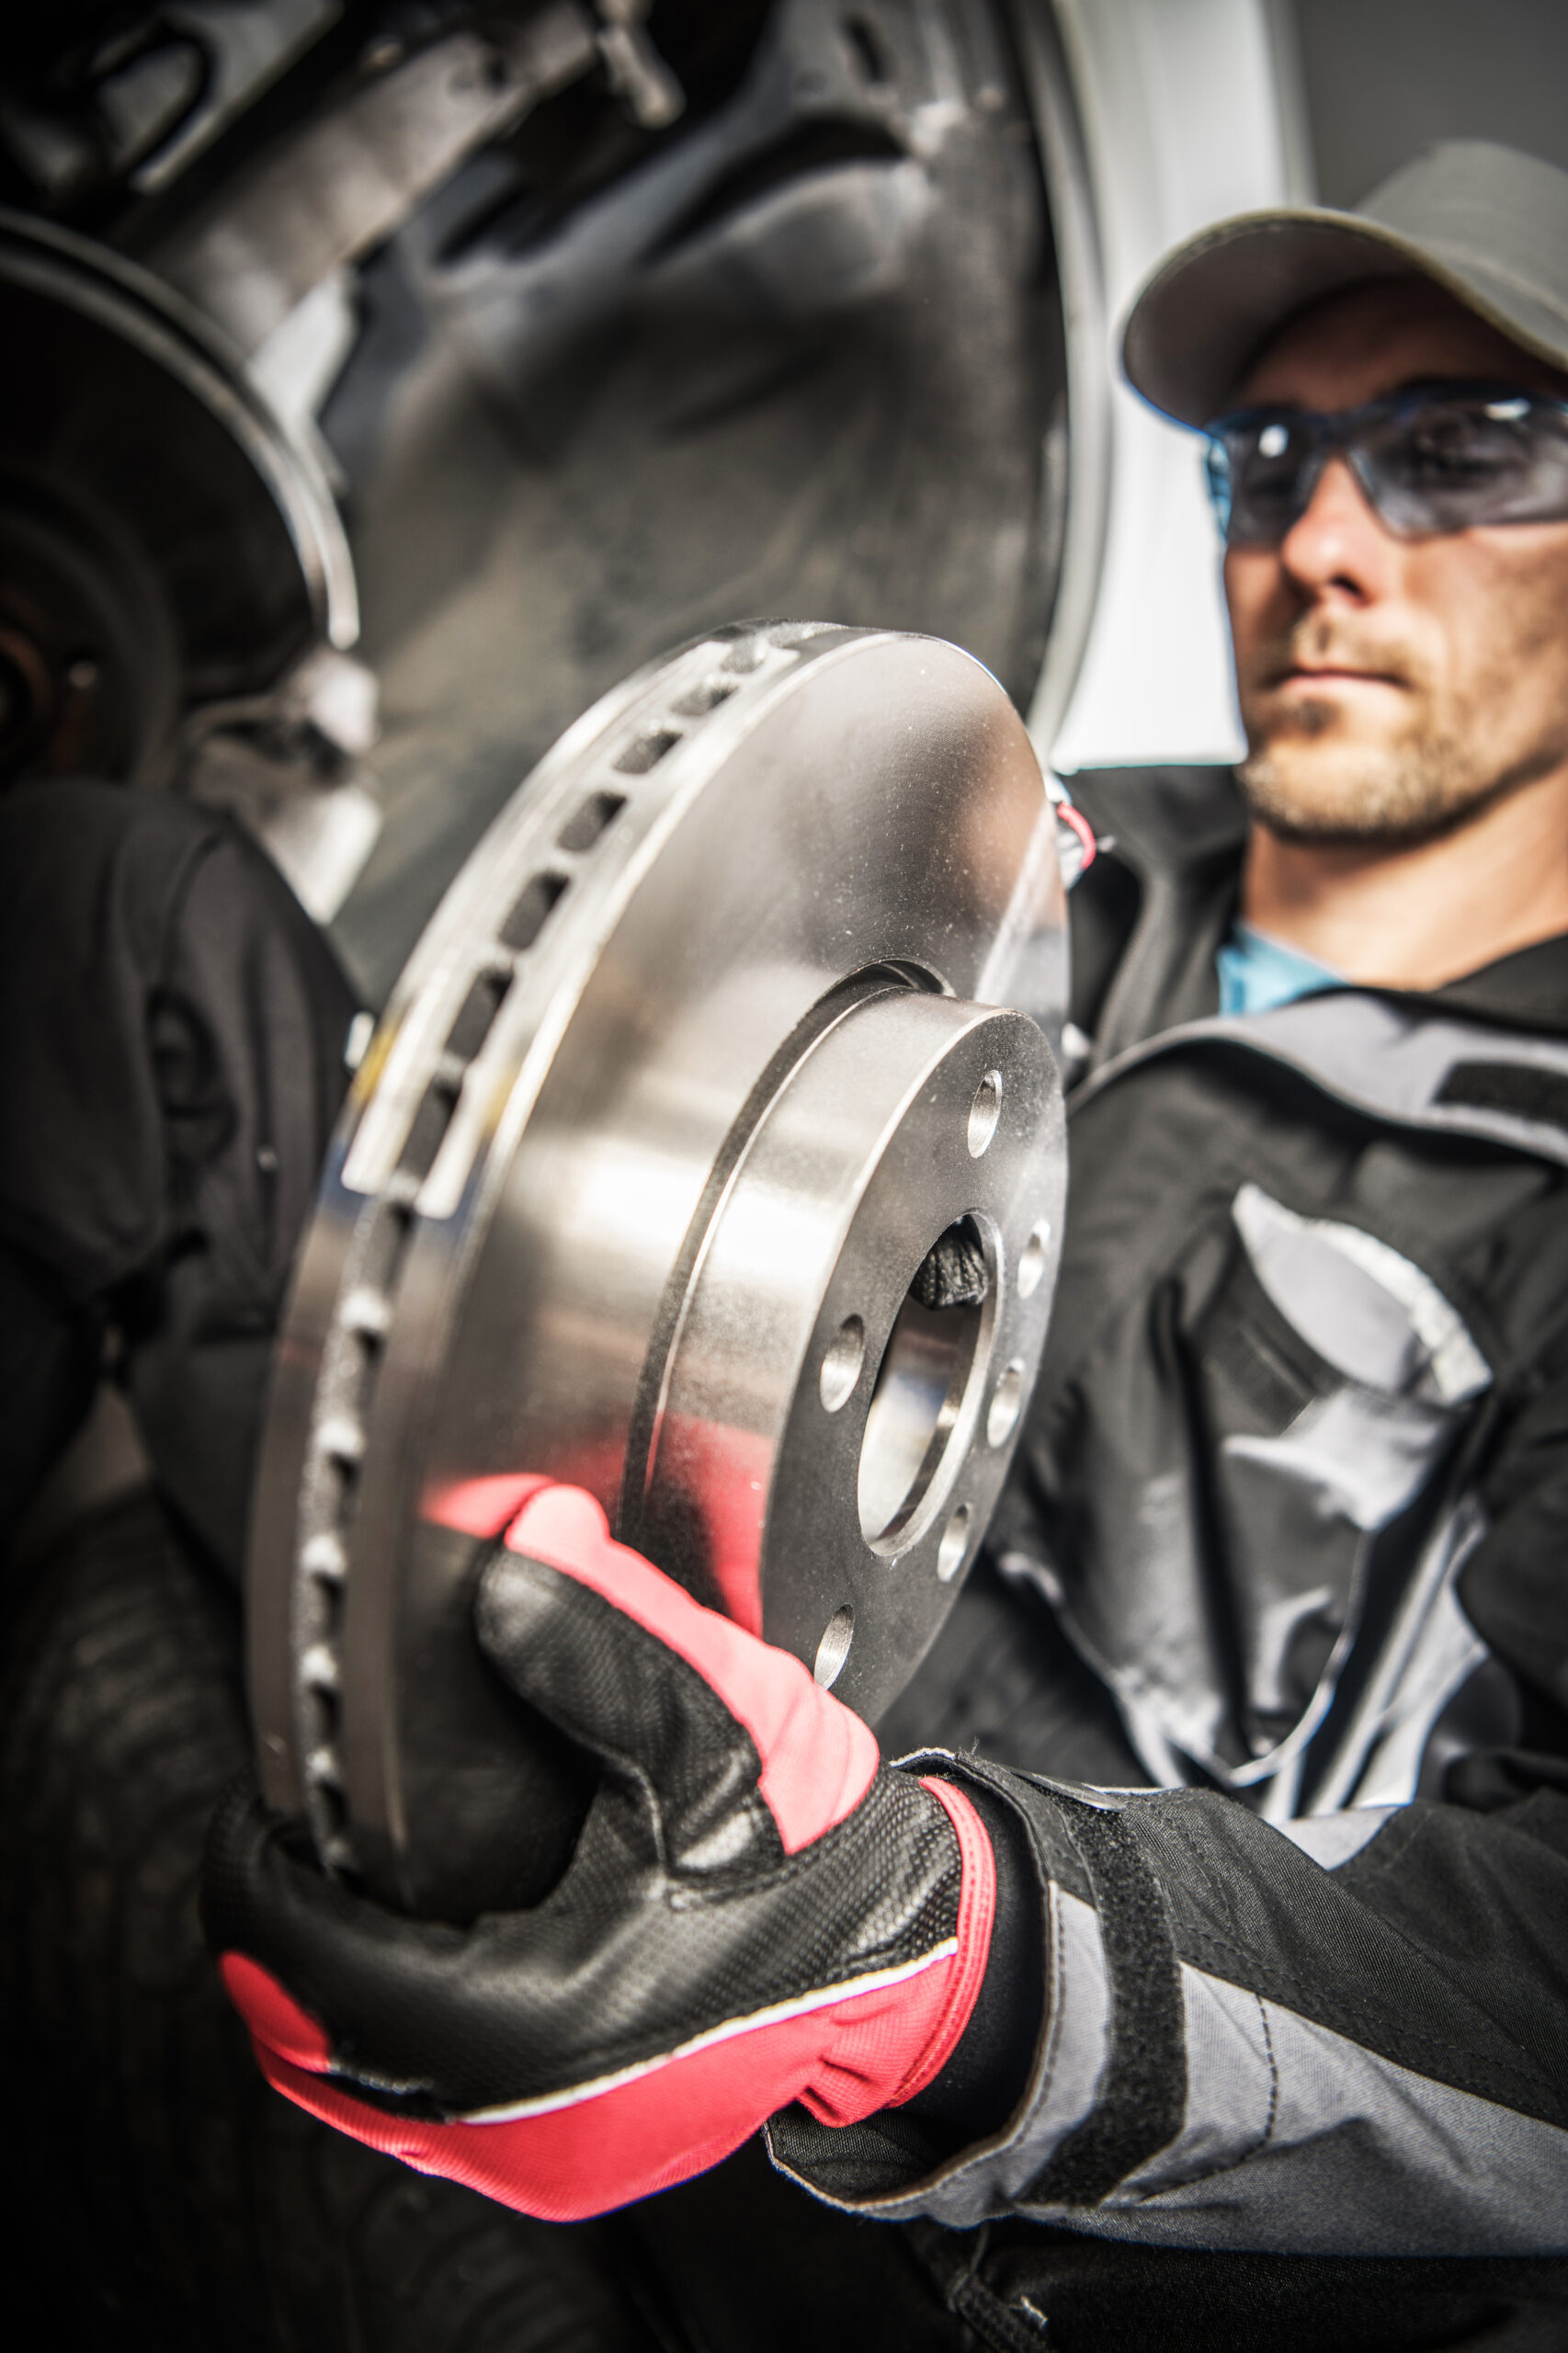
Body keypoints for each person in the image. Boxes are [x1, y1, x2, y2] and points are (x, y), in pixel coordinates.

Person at [206, 138, 1568, 2338]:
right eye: (1265, 461)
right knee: (121, 934)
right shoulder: (1028, 863)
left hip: (988, 2158)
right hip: (570, 1766)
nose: (1319, 541)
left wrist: (946, 1956)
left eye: (1455, 452)